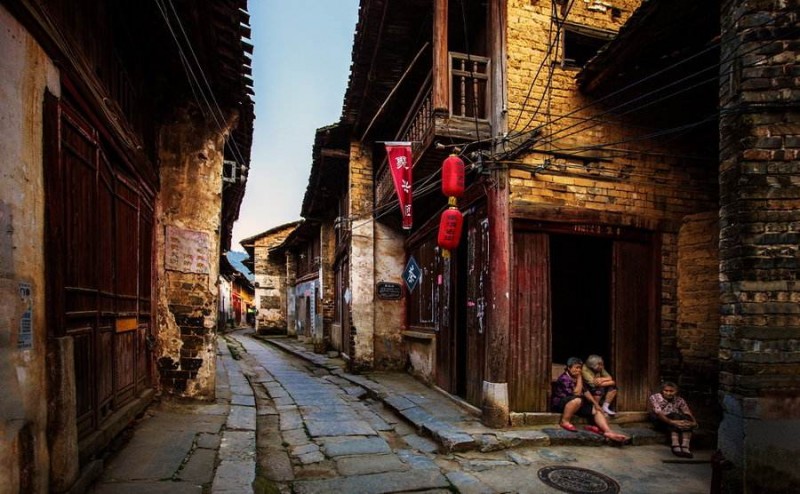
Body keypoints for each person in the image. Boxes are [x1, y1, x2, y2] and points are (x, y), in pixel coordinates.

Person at [552, 357, 629, 443]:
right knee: (577, 400)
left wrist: (596, 405)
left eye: (580, 368)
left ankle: (608, 432)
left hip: (576, 404)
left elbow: (586, 392)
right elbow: (576, 393)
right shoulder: (564, 378)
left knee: (596, 409)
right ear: (569, 368)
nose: (578, 370)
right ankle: (565, 422)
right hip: (561, 404)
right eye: (576, 368)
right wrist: (580, 378)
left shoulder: (577, 377)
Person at [648, 381, 698, 458]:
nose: (668, 393)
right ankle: (675, 444)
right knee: (675, 415)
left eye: (671, 391)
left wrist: (694, 422)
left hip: (676, 420)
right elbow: (659, 413)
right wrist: (672, 422)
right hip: (660, 420)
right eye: (666, 391)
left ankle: (685, 446)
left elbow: (687, 412)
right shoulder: (655, 397)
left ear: (676, 391)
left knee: (686, 417)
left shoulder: (679, 400)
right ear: (662, 391)